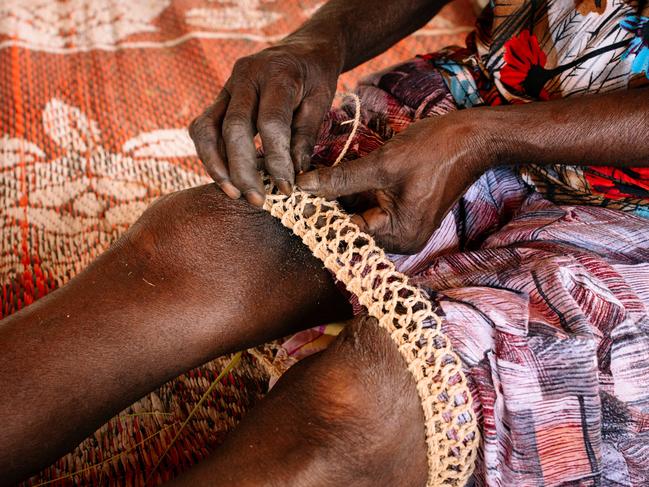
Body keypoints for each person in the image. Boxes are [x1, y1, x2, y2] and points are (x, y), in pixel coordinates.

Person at [1, 1, 648, 486]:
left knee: (370, 404)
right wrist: (321, 36)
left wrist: (484, 140)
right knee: (197, 247)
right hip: (492, 91)